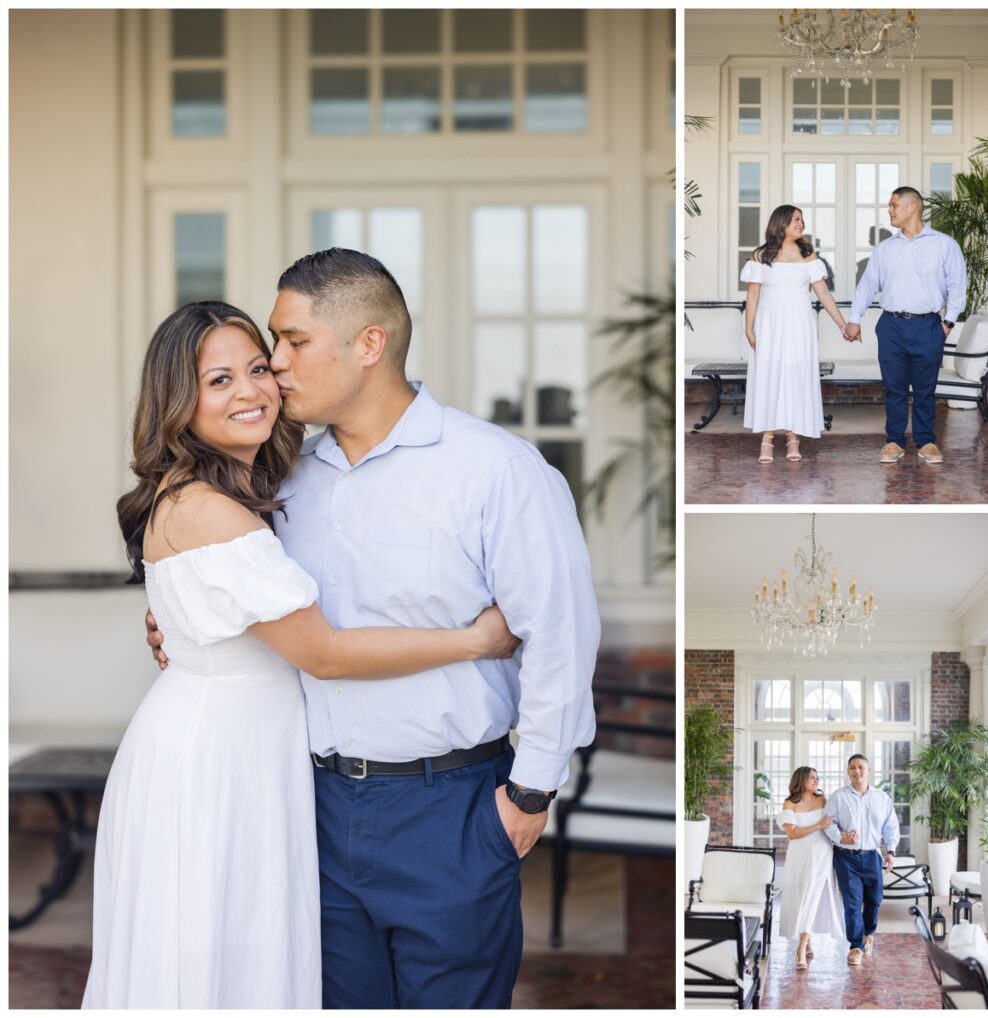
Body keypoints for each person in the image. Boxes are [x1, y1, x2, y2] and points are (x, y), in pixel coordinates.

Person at [149, 249, 601, 1008]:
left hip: (452, 810)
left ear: (368, 344)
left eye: (293, 343)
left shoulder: (496, 470)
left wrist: (528, 795)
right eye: (272, 345)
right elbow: (223, 582)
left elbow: (561, 636)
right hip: (307, 811)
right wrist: (178, 625)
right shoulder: (280, 480)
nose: (274, 367)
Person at [83, 302, 520, 1009]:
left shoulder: (242, 492)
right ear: (177, 400)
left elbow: (216, 606)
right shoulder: (214, 510)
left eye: (258, 368)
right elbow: (323, 652)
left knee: (223, 949)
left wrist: (178, 622)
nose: (250, 390)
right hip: (220, 760)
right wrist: (478, 640)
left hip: (228, 742)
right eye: (218, 380)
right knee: (218, 952)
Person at [844, 186, 967, 465]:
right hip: (891, 326)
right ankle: (894, 442)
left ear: (912, 207)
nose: (889, 210)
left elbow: (957, 287)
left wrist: (947, 323)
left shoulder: (944, 244)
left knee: (925, 389)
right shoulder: (885, 249)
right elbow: (867, 285)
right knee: (895, 387)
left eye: (893, 205)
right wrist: (854, 319)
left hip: (928, 327)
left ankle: (926, 442)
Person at [741, 205, 849, 463]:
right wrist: (749, 328)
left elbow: (823, 293)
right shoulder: (761, 255)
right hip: (770, 323)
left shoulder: (808, 254)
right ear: (781, 223)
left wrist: (842, 324)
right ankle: (767, 437)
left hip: (800, 322)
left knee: (796, 375)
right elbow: (753, 294)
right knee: (769, 374)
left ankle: (793, 436)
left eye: (802, 219)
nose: (801, 224)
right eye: (795, 219)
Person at [822, 753, 900, 966]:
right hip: (846, 858)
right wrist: (841, 838)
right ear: (848, 772)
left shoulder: (882, 798)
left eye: (861, 767)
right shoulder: (838, 797)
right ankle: (855, 946)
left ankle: (868, 934)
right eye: (853, 767)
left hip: (872, 855)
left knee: (874, 900)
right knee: (852, 903)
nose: (857, 771)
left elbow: (891, 826)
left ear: (868, 771)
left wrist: (891, 852)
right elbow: (827, 824)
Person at [775, 767, 846, 969]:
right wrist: (818, 825)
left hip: (822, 854)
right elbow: (793, 835)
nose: (816, 781)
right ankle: (808, 940)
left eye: (817, 778)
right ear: (801, 779)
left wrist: (843, 835)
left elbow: (833, 825)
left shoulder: (822, 800)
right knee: (800, 896)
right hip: (799, 855)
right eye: (812, 777)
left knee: (812, 896)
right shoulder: (790, 804)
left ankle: (801, 947)